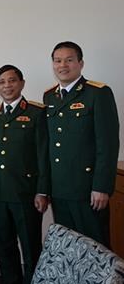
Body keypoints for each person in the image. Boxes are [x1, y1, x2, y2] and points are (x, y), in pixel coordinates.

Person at [44, 41, 119, 247]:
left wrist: (102, 187)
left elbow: (108, 144)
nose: (63, 65)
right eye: (58, 61)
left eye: (69, 60)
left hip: (88, 190)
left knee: (96, 248)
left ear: (80, 63)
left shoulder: (98, 93)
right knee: (68, 249)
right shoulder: (50, 96)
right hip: (60, 189)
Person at [0, 65, 50, 284]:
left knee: (31, 246)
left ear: (21, 83)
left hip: (26, 193)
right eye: (2, 82)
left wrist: (42, 191)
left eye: (12, 81)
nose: (7, 86)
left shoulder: (36, 113)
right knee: (5, 245)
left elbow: (43, 154)